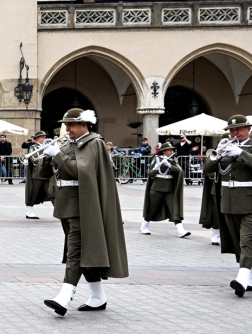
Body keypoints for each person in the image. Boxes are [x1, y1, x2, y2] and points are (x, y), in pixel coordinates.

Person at [38, 109, 128, 316]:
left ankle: (64, 296)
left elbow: (81, 171)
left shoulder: (93, 143)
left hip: (83, 205)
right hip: (66, 204)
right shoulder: (68, 144)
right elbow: (44, 175)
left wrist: (58, 156)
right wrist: (46, 156)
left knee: (75, 251)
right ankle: (98, 296)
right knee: (82, 250)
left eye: (71, 125)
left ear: (84, 124)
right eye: (66, 125)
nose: (67, 129)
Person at [205, 115, 252, 296]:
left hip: (249, 201)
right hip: (228, 202)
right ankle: (249, 276)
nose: (235, 133)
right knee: (237, 242)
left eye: (238, 129)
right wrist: (217, 153)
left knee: (247, 241)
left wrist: (241, 154)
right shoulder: (225, 147)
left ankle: (242, 277)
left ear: (248, 129)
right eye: (232, 130)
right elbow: (207, 169)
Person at [140, 143, 190, 238]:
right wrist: (156, 168)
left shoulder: (173, 160)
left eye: (172, 150)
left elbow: (179, 171)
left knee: (174, 208)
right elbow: (150, 174)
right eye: (169, 150)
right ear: (163, 151)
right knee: (152, 208)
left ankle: (181, 230)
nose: (172, 151)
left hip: (169, 188)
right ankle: (144, 226)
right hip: (157, 188)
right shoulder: (156, 159)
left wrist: (170, 165)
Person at [23, 131, 53, 219]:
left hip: (48, 173)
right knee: (33, 193)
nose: (44, 139)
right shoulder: (33, 147)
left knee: (52, 193)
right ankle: (29, 211)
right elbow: (34, 160)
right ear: (36, 139)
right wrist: (45, 156)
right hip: (37, 174)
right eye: (42, 137)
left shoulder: (49, 146)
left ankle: (60, 212)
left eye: (45, 137)